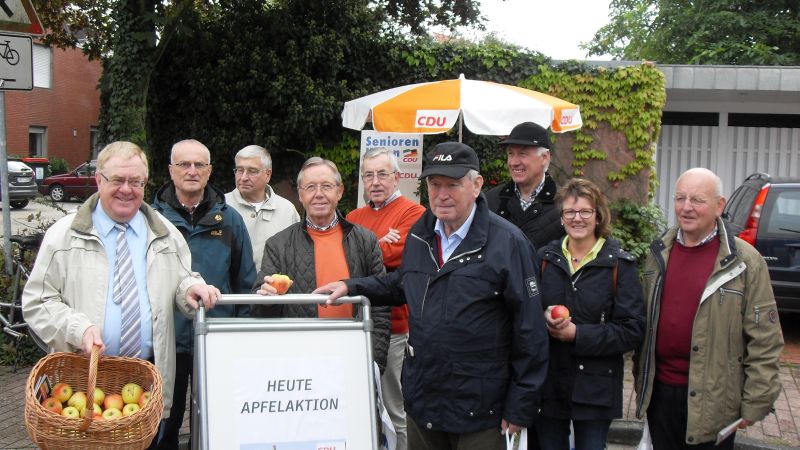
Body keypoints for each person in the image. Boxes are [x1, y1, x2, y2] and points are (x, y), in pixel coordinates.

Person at [315, 142, 549, 449]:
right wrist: (353, 286)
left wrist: (521, 406)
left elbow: (530, 331)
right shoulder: (421, 232)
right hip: (425, 401)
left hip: (482, 409)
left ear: (477, 185)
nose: (441, 194)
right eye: (434, 184)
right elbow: (405, 282)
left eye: (453, 184)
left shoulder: (508, 243)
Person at [21, 141, 221, 446]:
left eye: (136, 182)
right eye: (117, 180)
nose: (127, 190)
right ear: (99, 180)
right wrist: (79, 328)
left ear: (145, 183)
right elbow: (37, 302)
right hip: (81, 385)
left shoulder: (165, 233)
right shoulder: (63, 236)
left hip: (146, 384)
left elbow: (181, 279)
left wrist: (191, 288)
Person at [634, 168, 784, 449]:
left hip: (714, 400)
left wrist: (755, 402)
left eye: (697, 200)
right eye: (680, 198)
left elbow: (765, 339)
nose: (686, 207)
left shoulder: (744, 261)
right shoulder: (658, 254)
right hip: (661, 395)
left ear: (720, 205)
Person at [152, 139, 257, 449]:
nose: (192, 170)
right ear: (171, 170)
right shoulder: (152, 221)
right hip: (166, 339)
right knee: (164, 422)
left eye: (199, 164)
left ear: (210, 171)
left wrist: (238, 336)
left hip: (216, 338)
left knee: (214, 420)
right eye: (184, 164)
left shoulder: (230, 220)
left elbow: (245, 282)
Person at [252, 156, 391, 372]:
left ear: (340, 191)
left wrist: (374, 361)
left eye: (326, 186)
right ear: (300, 194)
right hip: (299, 358)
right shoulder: (278, 245)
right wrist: (265, 298)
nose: (319, 194)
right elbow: (260, 306)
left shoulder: (366, 241)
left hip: (353, 355)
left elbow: (380, 306)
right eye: (310, 187)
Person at [535, 178, 645, 450]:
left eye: (585, 211)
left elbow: (632, 329)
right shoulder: (544, 259)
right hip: (549, 383)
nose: (577, 218)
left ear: (598, 216)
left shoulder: (620, 264)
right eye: (570, 212)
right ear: (561, 218)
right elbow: (524, 312)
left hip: (596, 385)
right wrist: (543, 316)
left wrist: (578, 334)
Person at [346, 148, 426, 450]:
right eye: (369, 175)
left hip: (394, 325)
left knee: (395, 408)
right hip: (354, 326)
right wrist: (379, 243)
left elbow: (401, 255)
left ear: (397, 177)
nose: (376, 181)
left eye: (382, 174)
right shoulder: (354, 216)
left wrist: (366, 246)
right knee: (361, 404)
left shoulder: (414, 213)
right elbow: (346, 259)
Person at [486, 121, 564, 251]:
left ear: (544, 157)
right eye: (511, 154)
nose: (514, 162)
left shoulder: (565, 202)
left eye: (523, 154)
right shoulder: (491, 199)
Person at [225, 145, 300, 268]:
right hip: (229, 287)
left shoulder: (286, 210)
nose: (243, 177)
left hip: (274, 286)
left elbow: (296, 256)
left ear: (268, 175)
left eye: (252, 171)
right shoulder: (220, 207)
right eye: (239, 170)